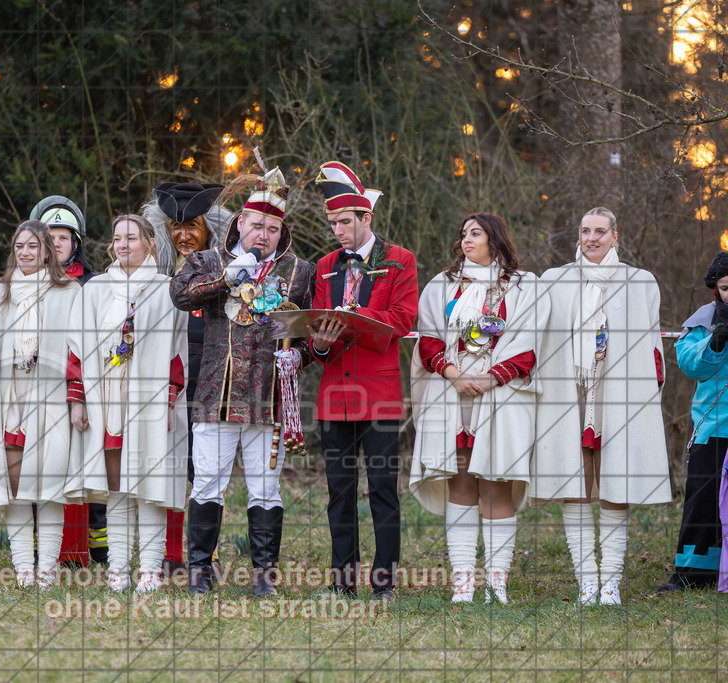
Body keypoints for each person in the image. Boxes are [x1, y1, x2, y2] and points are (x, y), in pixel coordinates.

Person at [171, 168, 317, 597]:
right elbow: (180, 294)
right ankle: (200, 572)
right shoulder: (209, 260)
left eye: (273, 229)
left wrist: (301, 356)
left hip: (268, 401)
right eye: (256, 225)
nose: (264, 235)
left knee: (266, 490)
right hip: (215, 395)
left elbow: (315, 335)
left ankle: (264, 578)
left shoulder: (300, 272)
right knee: (207, 485)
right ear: (239, 223)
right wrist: (230, 276)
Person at [410, 212, 548, 604]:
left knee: (496, 484)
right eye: (463, 234)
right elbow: (429, 338)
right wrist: (454, 374)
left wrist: (491, 378)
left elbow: (530, 344)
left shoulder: (524, 287)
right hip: (452, 396)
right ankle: (463, 585)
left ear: (495, 238)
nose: (466, 240)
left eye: (476, 233)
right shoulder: (443, 285)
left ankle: (497, 586)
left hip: (500, 396)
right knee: (462, 483)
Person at [535, 207, 670, 605]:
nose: (591, 238)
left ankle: (610, 581)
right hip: (570, 391)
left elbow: (651, 347)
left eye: (599, 231)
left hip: (618, 393)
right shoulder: (554, 281)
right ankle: (586, 581)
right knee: (574, 482)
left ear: (615, 235)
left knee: (616, 481)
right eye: (584, 231)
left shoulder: (639, 281)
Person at [306, 161, 418, 598]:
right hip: (335, 395)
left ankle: (384, 582)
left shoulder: (399, 260)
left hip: (381, 395)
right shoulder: (325, 266)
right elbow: (319, 340)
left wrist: (354, 316)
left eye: (345, 222)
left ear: (366, 218)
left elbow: (403, 319)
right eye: (332, 222)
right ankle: (342, 581)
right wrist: (319, 339)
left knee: (384, 492)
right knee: (339, 493)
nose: (337, 230)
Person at [66, 214, 188, 591]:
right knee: (116, 484)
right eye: (117, 238)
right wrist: (79, 400)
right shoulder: (96, 290)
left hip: (151, 400)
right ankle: (118, 567)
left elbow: (178, 352)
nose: (122, 244)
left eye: (131, 238)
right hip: (107, 401)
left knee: (149, 482)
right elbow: (77, 349)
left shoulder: (169, 291)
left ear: (150, 242)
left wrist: (168, 400)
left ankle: (150, 568)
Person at [0, 220, 81, 588]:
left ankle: (46, 568)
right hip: (9, 400)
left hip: (51, 402)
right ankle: (23, 568)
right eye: (19, 246)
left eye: (33, 246)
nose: (25, 252)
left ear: (48, 250)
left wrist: (76, 399)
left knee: (49, 485)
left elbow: (77, 351)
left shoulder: (68, 292)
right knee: (14, 485)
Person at [143, 182, 232, 576]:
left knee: (205, 470)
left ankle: (205, 557)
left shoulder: (229, 270)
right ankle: (167, 552)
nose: (184, 235)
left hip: (211, 379)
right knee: (166, 466)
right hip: (166, 380)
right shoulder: (155, 275)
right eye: (175, 227)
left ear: (210, 228)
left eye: (192, 226)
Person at [30, 195, 103, 566]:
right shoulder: (23, 284)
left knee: (80, 467)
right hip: (34, 390)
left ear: (75, 243)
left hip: (79, 390)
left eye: (64, 236)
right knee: (40, 469)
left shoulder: (93, 285)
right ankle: (44, 544)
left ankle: (86, 546)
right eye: (50, 236)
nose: (57, 242)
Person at [660, 251, 728, 591]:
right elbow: (689, 364)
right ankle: (694, 574)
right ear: (715, 287)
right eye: (727, 287)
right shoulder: (703, 318)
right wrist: (713, 343)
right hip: (713, 425)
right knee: (703, 498)